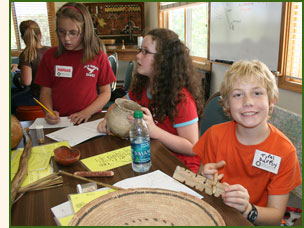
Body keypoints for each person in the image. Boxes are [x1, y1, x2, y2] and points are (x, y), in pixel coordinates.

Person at [193, 60, 302, 225]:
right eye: (238, 94)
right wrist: (204, 178)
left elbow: (275, 217)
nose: (248, 102)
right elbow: (201, 180)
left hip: (254, 219)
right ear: (227, 104)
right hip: (217, 213)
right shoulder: (214, 135)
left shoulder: (284, 151)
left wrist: (247, 209)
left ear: (272, 99)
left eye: (257, 93)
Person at [98, 28, 205, 173]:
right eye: (140, 50)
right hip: (152, 157)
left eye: (145, 52)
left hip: (179, 167)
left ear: (163, 59)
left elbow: (192, 148)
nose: (138, 56)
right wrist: (107, 120)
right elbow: (115, 107)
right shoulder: (144, 86)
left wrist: (155, 131)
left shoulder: (182, 99)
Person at [35, 2, 115, 125]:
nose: (66, 38)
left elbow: (106, 93)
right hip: (60, 121)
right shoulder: (50, 56)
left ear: (84, 32)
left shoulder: (98, 56)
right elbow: (45, 92)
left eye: (73, 33)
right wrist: (48, 112)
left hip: (90, 119)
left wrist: (86, 112)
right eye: (62, 32)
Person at [11, 20, 50, 114]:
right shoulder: (50, 50)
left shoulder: (26, 55)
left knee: (10, 102)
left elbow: (26, 82)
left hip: (38, 97)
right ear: (40, 35)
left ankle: (17, 127)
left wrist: (18, 76)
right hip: (54, 95)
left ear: (22, 37)